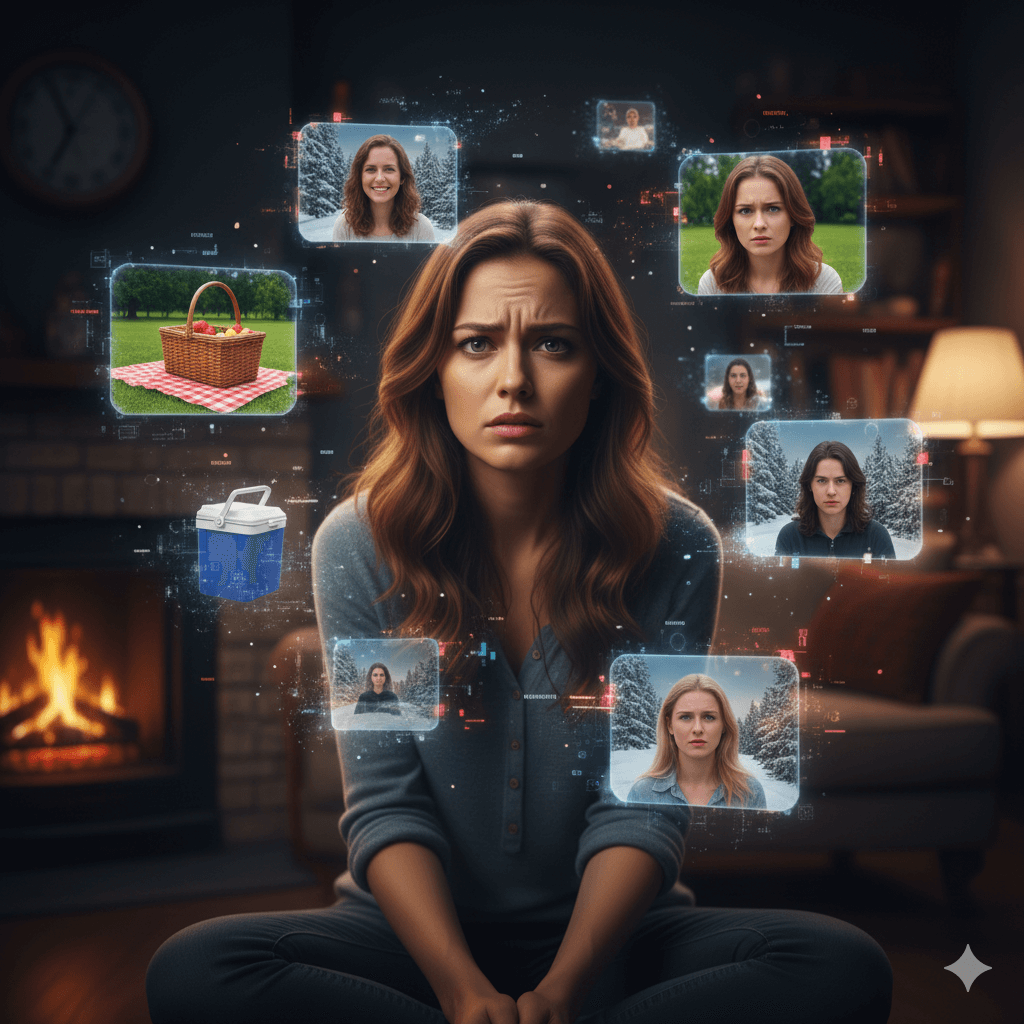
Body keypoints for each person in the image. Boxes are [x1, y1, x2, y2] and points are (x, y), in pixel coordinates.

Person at [147, 201, 892, 1024]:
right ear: (434, 367)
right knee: (197, 969)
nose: (514, 380)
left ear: (599, 369)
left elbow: (645, 802)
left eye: (552, 344)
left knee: (838, 962)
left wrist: (564, 989)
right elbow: (387, 804)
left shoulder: (676, 541)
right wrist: (462, 992)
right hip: (408, 941)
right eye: (477, 343)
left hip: (613, 938)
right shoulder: (358, 543)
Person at [697, 154, 843, 295]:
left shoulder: (824, 281)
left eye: (773, 208)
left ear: (793, 215)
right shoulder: (712, 284)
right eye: (745, 210)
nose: (759, 224)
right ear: (730, 219)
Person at [627, 675, 767, 809]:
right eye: (686, 717)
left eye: (709, 717)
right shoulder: (642, 793)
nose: (698, 729)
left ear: (724, 724)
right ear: (669, 725)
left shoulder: (750, 793)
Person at [775, 440, 897, 559]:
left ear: (853, 486)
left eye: (840, 481)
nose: (831, 491)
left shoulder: (876, 536)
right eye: (821, 481)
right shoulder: (790, 537)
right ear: (809, 486)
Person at [332, 134, 435, 242]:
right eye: (371, 169)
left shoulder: (421, 227)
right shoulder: (344, 226)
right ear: (360, 177)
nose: (380, 178)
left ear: (402, 177)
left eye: (389, 169)